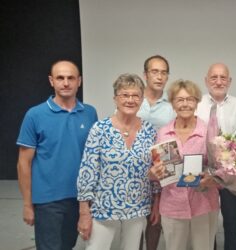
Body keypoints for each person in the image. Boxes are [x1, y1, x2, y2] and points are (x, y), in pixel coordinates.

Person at [16, 60, 98, 250]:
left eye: (71, 78)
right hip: (47, 201)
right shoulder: (35, 115)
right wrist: (27, 204)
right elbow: (23, 163)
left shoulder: (90, 113)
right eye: (60, 78)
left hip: (80, 199)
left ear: (80, 81)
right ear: (51, 81)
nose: (66, 82)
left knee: (68, 245)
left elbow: (94, 158)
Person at [76, 74, 157, 250]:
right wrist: (84, 212)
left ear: (142, 99)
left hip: (138, 208)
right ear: (115, 99)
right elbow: (87, 171)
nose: (130, 100)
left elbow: (155, 168)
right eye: (124, 95)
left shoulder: (149, 131)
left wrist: (155, 202)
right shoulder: (100, 129)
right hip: (104, 209)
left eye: (135, 95)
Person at [151, 79, 220, 250]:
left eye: (190, 99)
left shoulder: (209, 131)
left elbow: (220, 169)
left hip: (204, 203)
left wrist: (212, 178)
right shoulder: (163, 133)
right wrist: (154, 173)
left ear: (197, 102)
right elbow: (157, 173)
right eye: (179, 100)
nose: (185, 104)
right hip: (172, 205)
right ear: (172, 103)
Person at [196, 63, 236, 250]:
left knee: (232, 223)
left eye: (223, 77)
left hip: (230, 173)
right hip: (203, 172)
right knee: (205, 224)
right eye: (214, 77)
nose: (218, 82)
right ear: (206, 80)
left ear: (230, 81)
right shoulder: (197, 103)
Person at [137, 55, 175, 250]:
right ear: (145, 75)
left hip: (160, 168)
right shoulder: (133, 99)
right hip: (135, 171)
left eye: (163, 73)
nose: (159, 77)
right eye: (154, 72)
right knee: (134, 225)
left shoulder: (172, 106)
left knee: (154, 221)